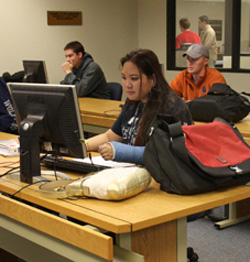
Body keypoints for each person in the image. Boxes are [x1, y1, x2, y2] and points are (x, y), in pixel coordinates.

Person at [86, 49, 193, 165]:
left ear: (153, 80)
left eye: (134, 79)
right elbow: (109, 136)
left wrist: (121, 151)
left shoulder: (173, 108)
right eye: (124, 77)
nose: (127, 85)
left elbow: (168, 154)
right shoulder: (133, 102)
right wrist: (83, 145)